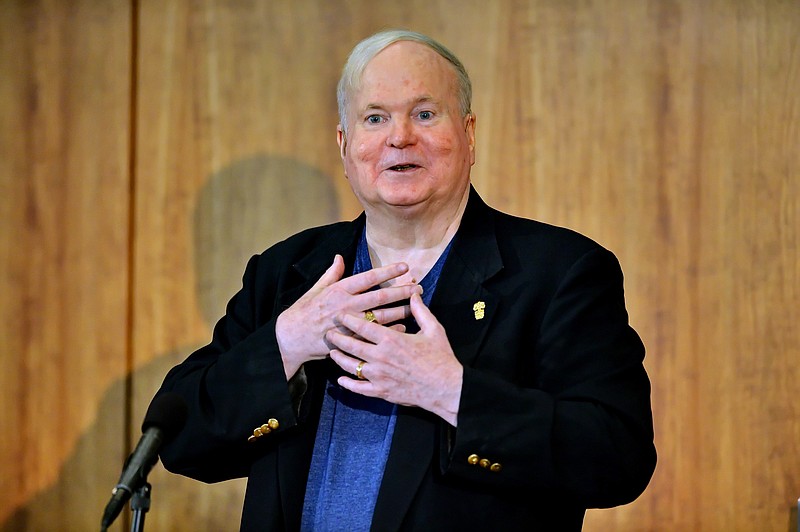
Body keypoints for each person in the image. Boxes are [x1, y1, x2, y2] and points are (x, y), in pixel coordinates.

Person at [155, 29, 656, 531]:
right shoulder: (287, 273)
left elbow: (618, 458)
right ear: (345, 144)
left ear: (469, 133)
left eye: (424, 113)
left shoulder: (558, 272)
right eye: (375, 118)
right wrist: (287, 344)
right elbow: (180, 441)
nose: (399, 137)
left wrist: (451, 392)